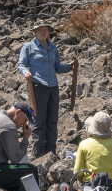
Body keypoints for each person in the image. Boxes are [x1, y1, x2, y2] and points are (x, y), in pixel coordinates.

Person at [18, 20, 78, 158]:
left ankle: (51, 152)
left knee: (52, 120)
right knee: (39, 120)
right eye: (40, 30)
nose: (43, 32)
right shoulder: (28, 47)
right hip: (38, 86)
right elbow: (21, 64)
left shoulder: (52, 48)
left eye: (45, 29)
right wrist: (25, 72)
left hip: (53, 87)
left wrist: (69, 66)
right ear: (35, 32)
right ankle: (39, 153)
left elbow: (57, 67)